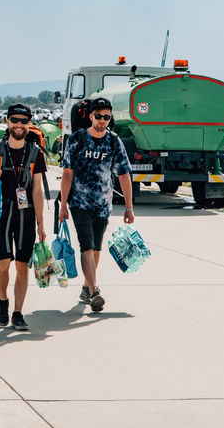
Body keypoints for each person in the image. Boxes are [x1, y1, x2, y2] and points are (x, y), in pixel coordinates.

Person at [0, 104, 47, 330]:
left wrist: (41, 224)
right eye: (15, 120)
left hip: (26, 215)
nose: (19, 125)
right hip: (2, 213)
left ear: (29, 124)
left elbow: (37, 190)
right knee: (3, 263)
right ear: (7, 121)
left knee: (22, 266)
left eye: (24, 121)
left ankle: (18, 313)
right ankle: (3, 300)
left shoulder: (36, 153)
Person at [58, 97, 133, 312]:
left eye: (106, 117)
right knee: (87, 245)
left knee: (97, 248)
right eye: (98, 116)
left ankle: (85, 287)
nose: (102, 120)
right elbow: (67, 174)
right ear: (91, 117)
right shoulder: (77, 139)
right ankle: (94, 292)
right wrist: (63, 204)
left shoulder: (113, 141)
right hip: (79, 202)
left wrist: (129, 207)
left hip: (102, 203)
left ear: (110, 118)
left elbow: (124, 174)